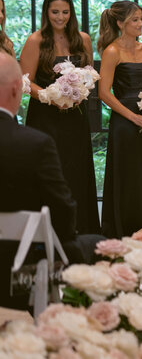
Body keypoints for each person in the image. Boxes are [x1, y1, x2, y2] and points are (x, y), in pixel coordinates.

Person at [0, 52, 104, 310]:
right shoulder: (34, 144)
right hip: (21, 265)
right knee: (101, 246)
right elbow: (62, 209)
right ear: (17, 89)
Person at [19, 0, 100, 235]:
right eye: (55, 12)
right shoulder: (36, 41)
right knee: (50, 171)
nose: (60, 17)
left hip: (75, 117)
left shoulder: (82, 39)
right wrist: (50, 96)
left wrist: (79, 90)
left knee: (75, 170)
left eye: (65, 12)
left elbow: (90, 75)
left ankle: (80, 229)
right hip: (45, 118)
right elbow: (24, 81)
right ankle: (48, 232)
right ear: (46, 12)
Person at [97, 0, 142, 238]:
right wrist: (133, 118)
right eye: (134, 20)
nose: (140, 24)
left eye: (141, 19)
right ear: (120, 23)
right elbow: (103, 92)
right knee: (127, 178)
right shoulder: (112, 51)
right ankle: (122, 233)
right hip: (124, 124)